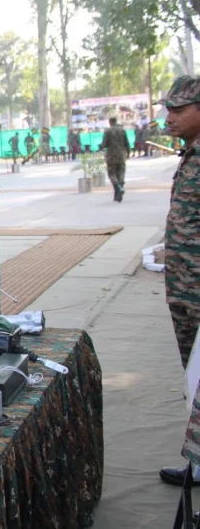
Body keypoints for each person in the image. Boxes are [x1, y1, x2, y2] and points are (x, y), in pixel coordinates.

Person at [153, 76, 200, 488]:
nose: (169, 117)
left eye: (178, 109)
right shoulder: (191, 155)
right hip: (185, 291)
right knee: (195, 378)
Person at [101, 116, 130, 202]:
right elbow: (127, 143)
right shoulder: (122, 130)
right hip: (121, 155)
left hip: (111, 156)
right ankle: (118, 193)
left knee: (112, 174)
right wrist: (128, 153)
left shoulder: (107, 131)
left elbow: (104, 144)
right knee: (120, 173)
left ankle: (118, 187)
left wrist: (102, 147)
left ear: (110, 122)